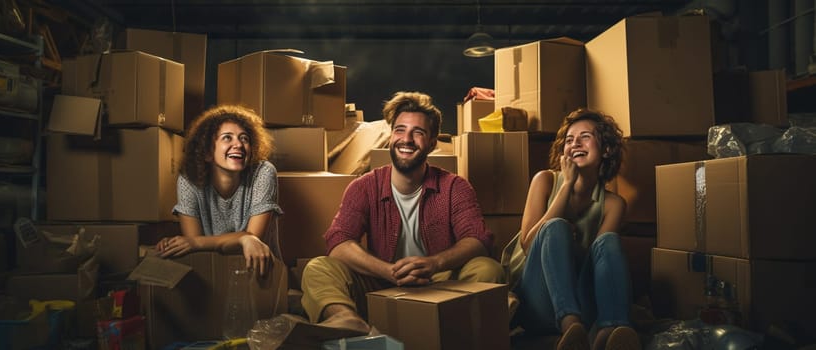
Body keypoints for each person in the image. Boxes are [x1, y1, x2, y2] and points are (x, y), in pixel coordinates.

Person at [300, 91, 505, 334]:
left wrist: (434, 263)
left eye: (417, 132)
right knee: (318, 268)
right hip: (381, 283)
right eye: (399, 130)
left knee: (488, 269)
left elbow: (479, 240)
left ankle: (448, 331)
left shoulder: (454, 186)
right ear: (390, 136)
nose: (406, 139)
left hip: (440, 284)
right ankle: (349, 322)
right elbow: (338, 241)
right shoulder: (364, 186)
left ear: (432, 142)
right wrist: (388, 271)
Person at [509, 108, 640, 350]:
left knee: (609, 241)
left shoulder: (613, 204)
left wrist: (573, 246)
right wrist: (567, 184)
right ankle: (572, 329)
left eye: (585, 137)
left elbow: (601, 262)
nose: (575, 144)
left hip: (581, 297)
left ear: (607, 149)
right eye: (569, 140)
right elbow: (528, 245)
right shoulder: (545, 180)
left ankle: (612, 331)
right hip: (536, 298)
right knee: (555, 226)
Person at [156, 105, 283, 276]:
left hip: (259, 273)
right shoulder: (189, 179)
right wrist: (242, 238)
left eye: (244, 138)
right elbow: (194, 247)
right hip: (211, 274)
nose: (238, 144)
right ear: (207, 152)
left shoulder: (264, 172)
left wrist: (198, 243)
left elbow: (254, 239)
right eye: (227, 138)